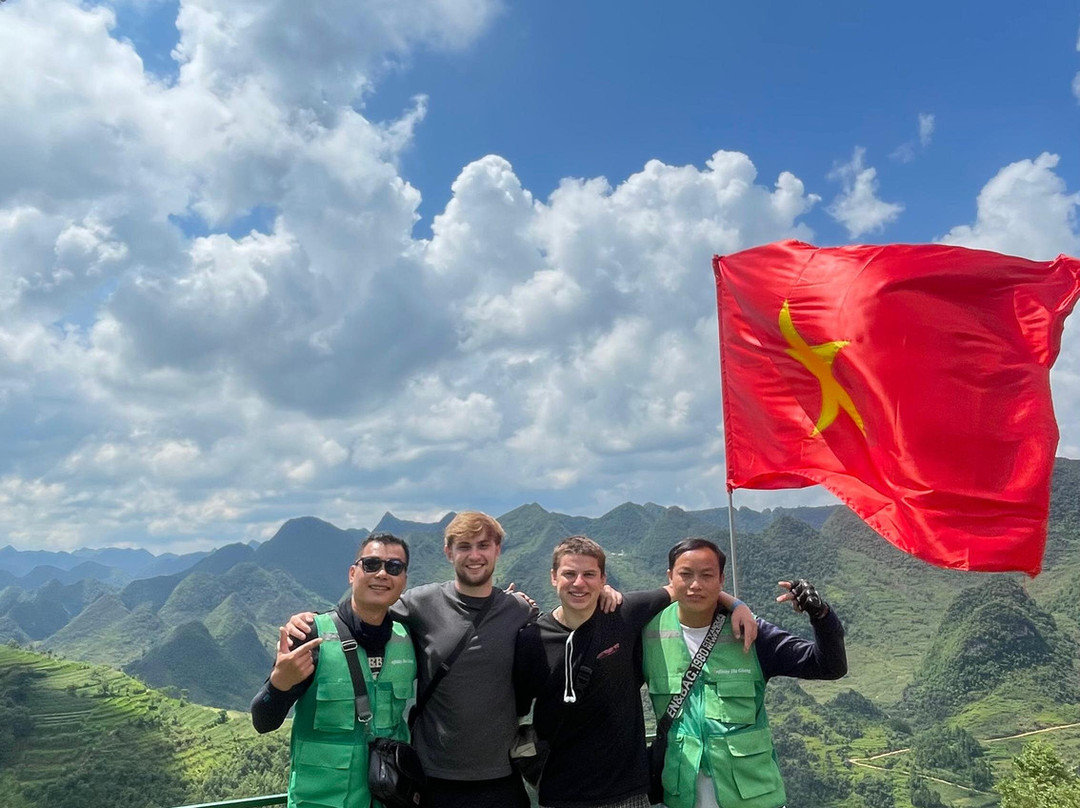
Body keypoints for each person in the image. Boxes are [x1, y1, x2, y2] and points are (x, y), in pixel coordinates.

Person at [286, 511, 537, 808]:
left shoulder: (519, 610)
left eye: (483, 546)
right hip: (430, 778)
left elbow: (562, 630)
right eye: (464, 546)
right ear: (448, 552)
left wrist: (604, 597)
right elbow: (365, 609)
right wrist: (310, 621)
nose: (474, 555)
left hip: (501, 778)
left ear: (498, 549)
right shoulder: (422, 603)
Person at [513, 536, 758, 808]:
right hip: (562, 793)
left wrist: (737, 605)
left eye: (589, 574)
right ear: (553, 577)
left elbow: (683, 588)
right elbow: (515, 711)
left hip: (628, 792)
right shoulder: (532, 640)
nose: (579, 583)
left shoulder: (624, 612)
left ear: (604, 578)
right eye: (569, 574)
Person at [643, 538, 848, 808]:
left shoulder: (751, 632)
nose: (696, 585)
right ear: (670, 577)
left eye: (707, 575)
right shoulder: (649, 634)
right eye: (685, 574)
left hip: (753, 798)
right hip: (681, 797)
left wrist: (821, 615)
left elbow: (829, 666)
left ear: (721, 580)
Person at [251, 533, 416, 808]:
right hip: (319, 802)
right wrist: (278, 684)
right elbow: (262, 721)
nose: (382, 574)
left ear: (404, 580)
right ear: (353, 573)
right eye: (371, 564)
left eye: (394, 567)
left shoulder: (409, 639)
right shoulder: (311, 635)